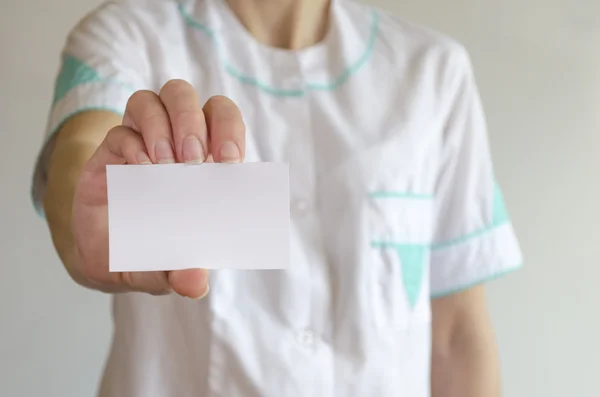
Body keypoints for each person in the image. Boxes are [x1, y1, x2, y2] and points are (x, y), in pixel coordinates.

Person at [31, 0, 523, 395]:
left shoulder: (433, 72)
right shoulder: (125, 34)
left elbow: (457, 335)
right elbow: (82, 150)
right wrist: (91, 223)